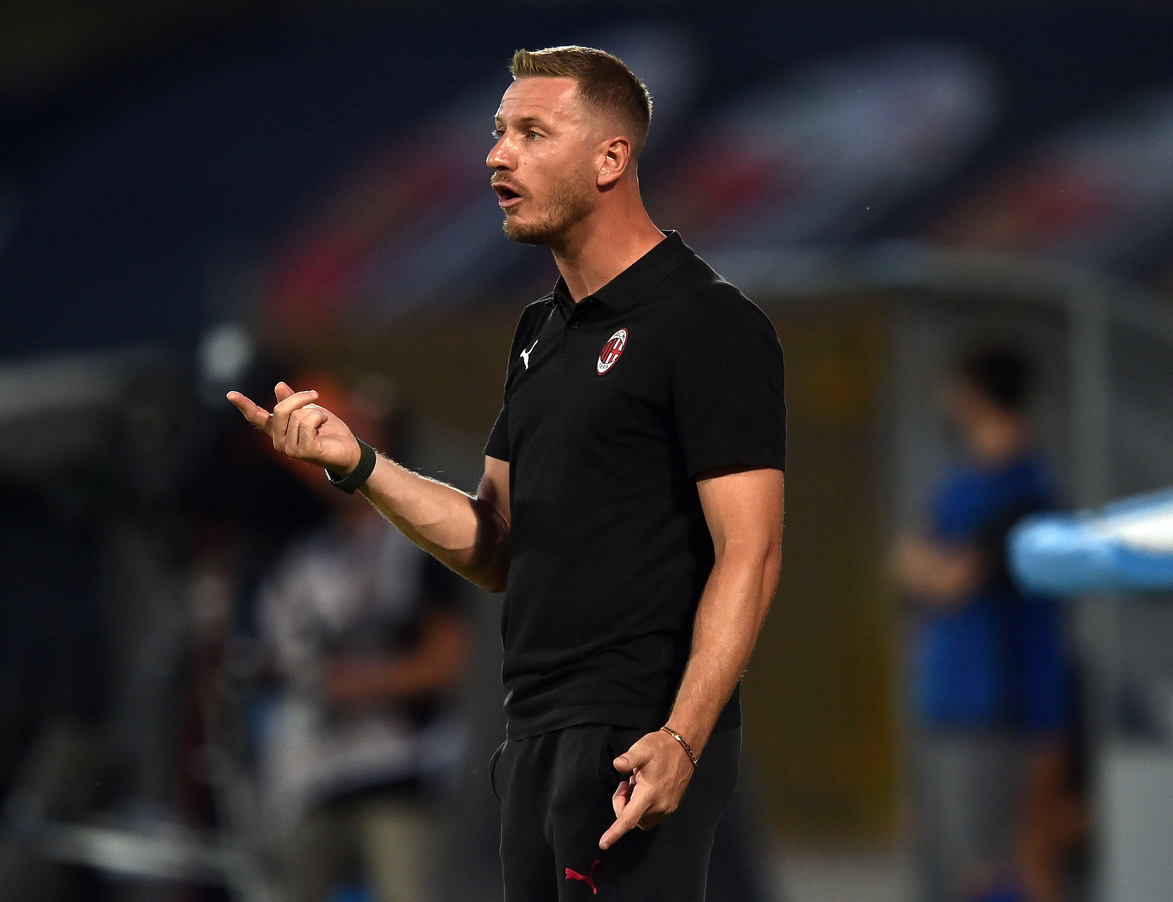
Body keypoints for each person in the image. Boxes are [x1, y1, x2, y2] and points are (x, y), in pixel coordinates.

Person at [229, 45, 786, 901]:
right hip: (532, 738)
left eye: (532, 132)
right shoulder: (539, 335)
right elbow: (493, 544)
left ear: (612, 157)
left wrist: (680, 738)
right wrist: (361, 466)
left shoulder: (707, 323)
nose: (497, 154)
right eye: (498, 132)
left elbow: (749, 551)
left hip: (635, 734)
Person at [250, 374, 468, 902]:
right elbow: (271, 658)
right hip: (314, 773)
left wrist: (354, 684)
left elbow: (446, 661)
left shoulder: (418, 544)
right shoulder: (303, 558)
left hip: (399, 769)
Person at [891, 343, 1082, 902]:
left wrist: (931, 569)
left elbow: (948, 576)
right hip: (948, 700)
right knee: (951, 861)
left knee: (996, 864)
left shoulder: (1027, 494)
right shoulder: (962, 486)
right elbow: (908, 563)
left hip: (996, 707)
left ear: (974, 394)